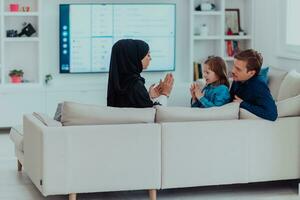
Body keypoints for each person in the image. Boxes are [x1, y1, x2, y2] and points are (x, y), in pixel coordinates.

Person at [107, 39, 174, 108]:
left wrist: (148, 97)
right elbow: (156, 116)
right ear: (134, 57)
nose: (150, 58)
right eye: (148, 55)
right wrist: (165, 94)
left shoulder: (117, 83)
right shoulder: (135, 85)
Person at [230, 49, 277, 121]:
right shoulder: (238, 79)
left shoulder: (259, 85)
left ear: (251, 73)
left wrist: (243, 103)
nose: (233, 71)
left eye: (238, 69)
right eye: (234, 66)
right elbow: (231, 98)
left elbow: (272, 114)